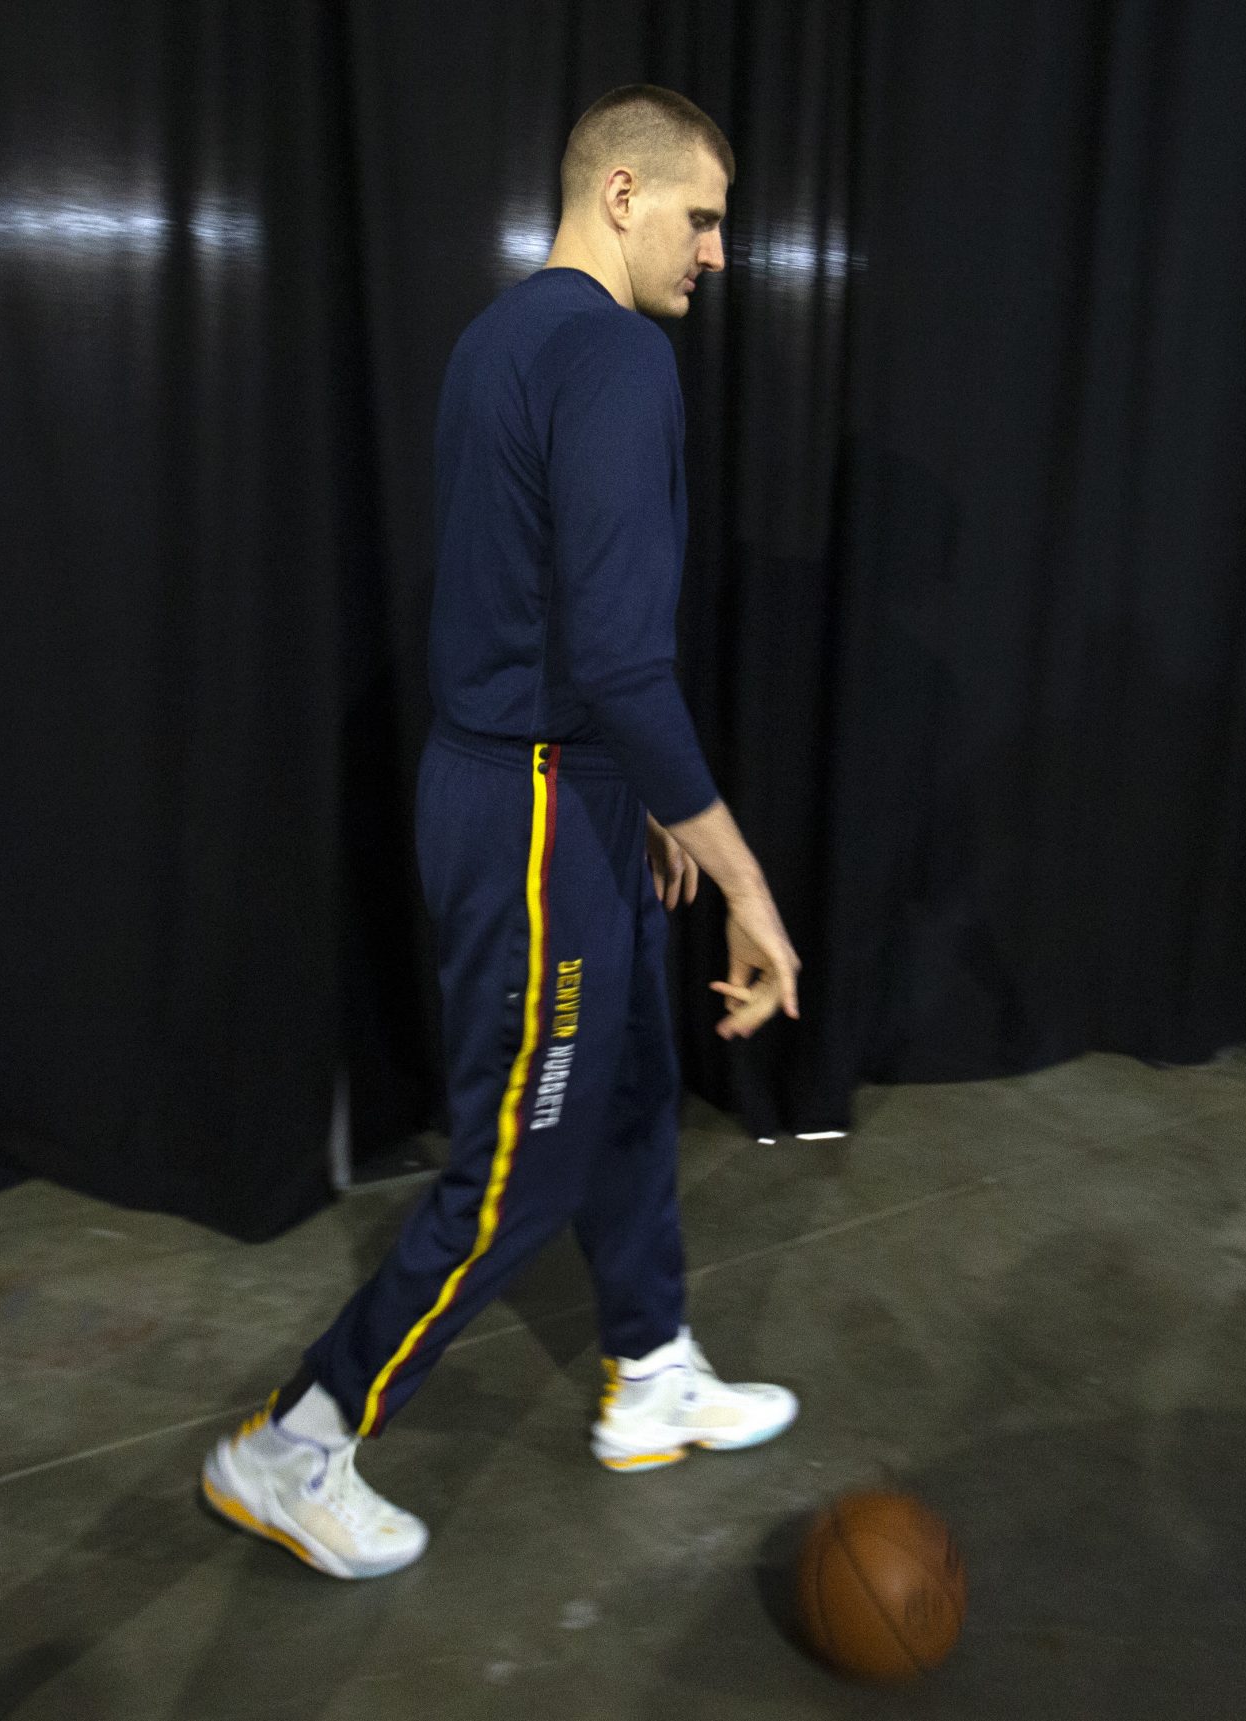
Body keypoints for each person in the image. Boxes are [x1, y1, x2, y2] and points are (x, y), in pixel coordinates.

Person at [199, 85, 803, 1581]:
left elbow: (543, 619)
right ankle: (290, 1440)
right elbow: (613, 653)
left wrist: (638, 797)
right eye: (703, 216)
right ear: (618, 192)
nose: (716, 254)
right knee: (516, 1168)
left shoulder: (497, 340)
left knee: (636, 1081)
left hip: (551, 784)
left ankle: (651, 1366)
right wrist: (745, 880)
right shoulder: (613, 354)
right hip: (534, 806)